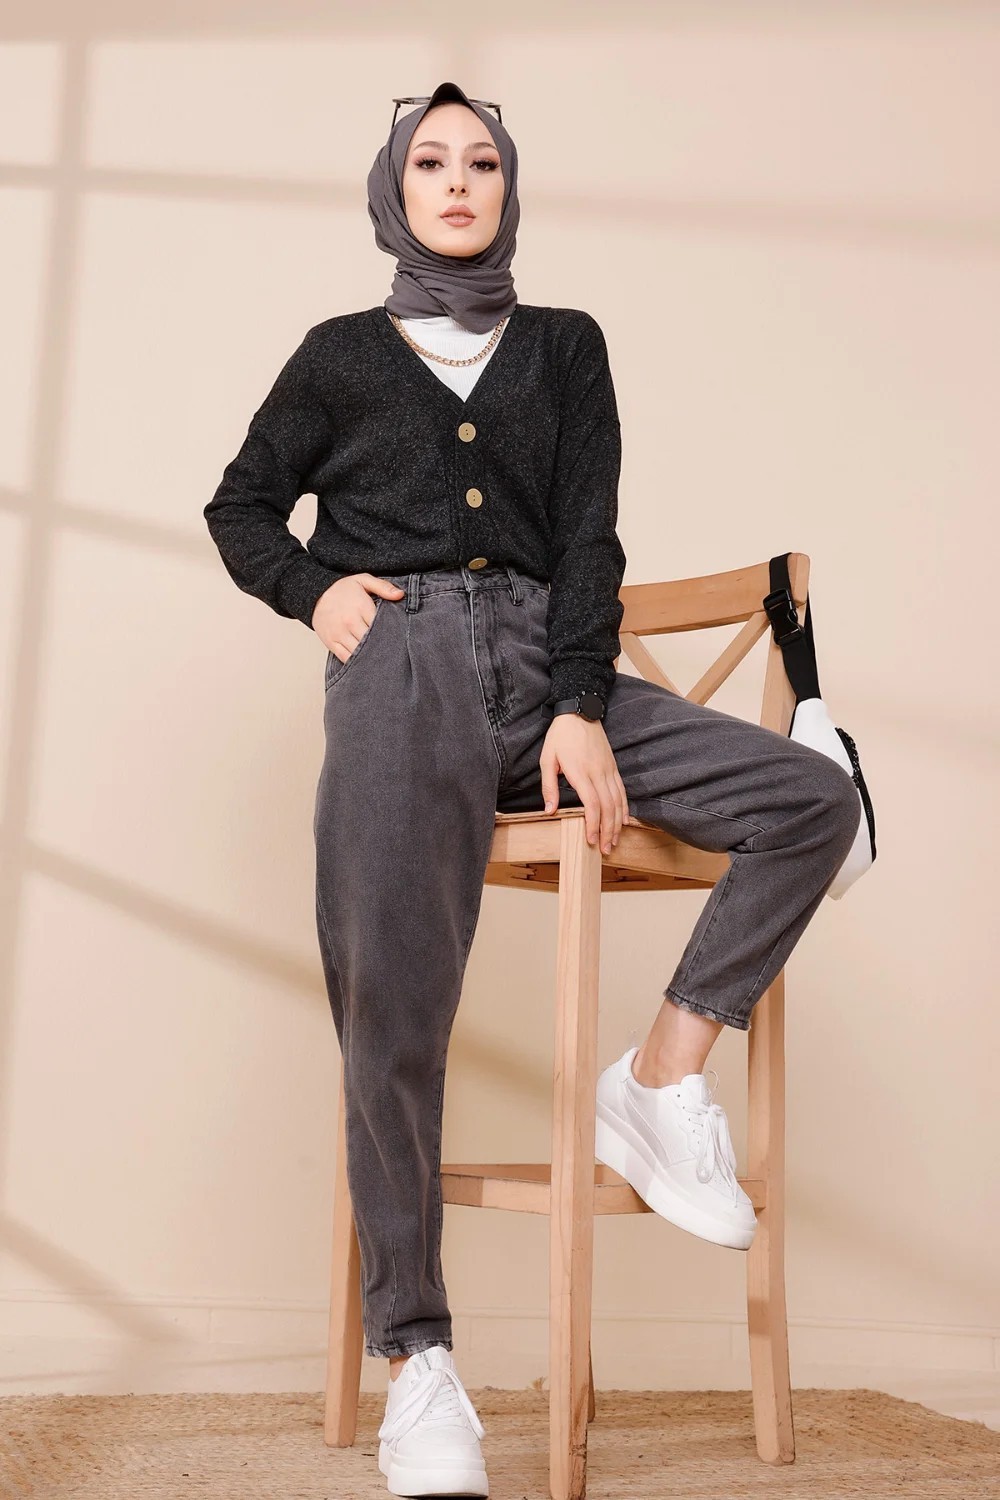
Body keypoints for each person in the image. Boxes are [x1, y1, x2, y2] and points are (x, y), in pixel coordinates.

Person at [203, 79, 861, 1500]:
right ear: (394, 192)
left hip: (550, 665)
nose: (457, 182)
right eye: (430, 163)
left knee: (812, 802)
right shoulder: (338, 355)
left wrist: (576, 705)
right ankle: (419, 1360)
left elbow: (590, 538)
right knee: (392, 1007)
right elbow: (239, 508)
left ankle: (659, 1076)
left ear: (510, 190)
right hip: (402, 673)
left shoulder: (566, 346)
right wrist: (319, 595)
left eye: (482, 162)